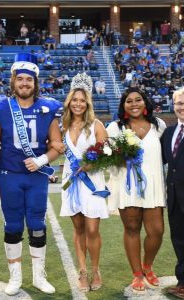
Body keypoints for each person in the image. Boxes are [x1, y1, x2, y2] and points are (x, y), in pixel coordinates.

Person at [0, 53, 65, 296]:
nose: (24, 84)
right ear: (13, 81)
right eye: (20, 79)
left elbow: (57, 145)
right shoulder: (0, 107)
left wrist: (41, 159)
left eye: (29, 80)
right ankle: (15, 277)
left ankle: (39, 276)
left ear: (35, 82)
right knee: (13, 226)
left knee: (38, 225)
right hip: (10, 176)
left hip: (36, 177)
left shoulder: (48, 107)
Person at [106, 87, 166, 295]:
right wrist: (121, 158)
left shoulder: (159, 125)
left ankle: (147, 265)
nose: (134, 104)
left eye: (137, 100)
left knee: (156, 231)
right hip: (127, 186)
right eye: (129, 101)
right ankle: (137, 273)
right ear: (123, 105)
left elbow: (165, 157)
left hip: (154, 186)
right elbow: (109, 159)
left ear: (144, 102)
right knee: (132, 228)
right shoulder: (115, 128)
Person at [60, 72, 109, 292]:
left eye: (82, 100)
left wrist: (92, 163)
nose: (78, 104)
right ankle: (82, 271)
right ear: (69, 102)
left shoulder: (96, 124)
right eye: (75, 100)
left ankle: (96, 269)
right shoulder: (62, 126)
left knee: (92, 229)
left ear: (87, 102)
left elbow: (108, 152)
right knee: (78, 228)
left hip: (92, 182)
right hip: (72, 183)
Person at [161, 87, 184, 299]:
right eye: (179, 104)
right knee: (180, 240)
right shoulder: (169, 132)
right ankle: (183, 280)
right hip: (174, 197)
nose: (182, 107)